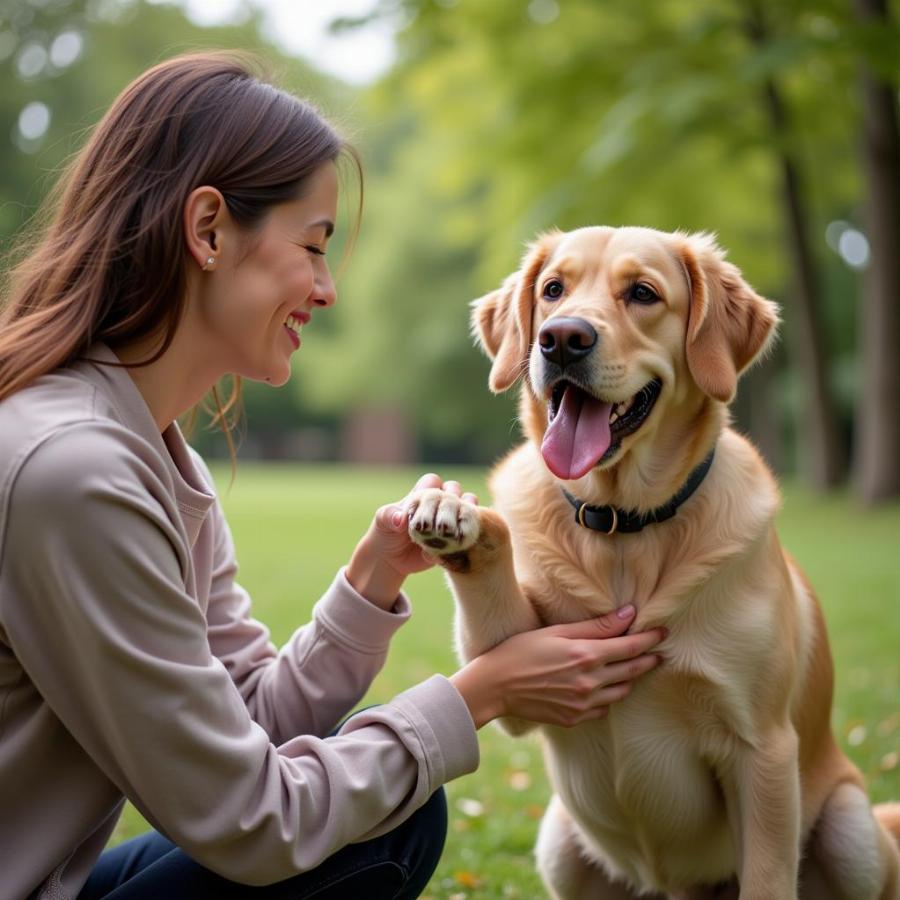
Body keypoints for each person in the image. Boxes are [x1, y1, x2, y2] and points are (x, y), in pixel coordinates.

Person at [0, 53, 666, 900]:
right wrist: (480, 694)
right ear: (207, 230)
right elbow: (249, 818)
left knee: (390, 815)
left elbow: (246, 727)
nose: (326, 289)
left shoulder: (152, 455)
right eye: (313, 247)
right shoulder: (74, 473)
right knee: (372, 815)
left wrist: (372, 579)